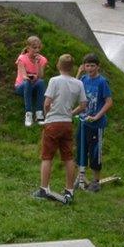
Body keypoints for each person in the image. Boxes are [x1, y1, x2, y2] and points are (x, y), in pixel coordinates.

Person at [32, 54, 87, 205]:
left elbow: (47, 103)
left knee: (47, 157)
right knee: (68, 157)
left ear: (58, 65)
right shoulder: (78, 83)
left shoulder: (54, 81)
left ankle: (44, 189)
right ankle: (69, 190)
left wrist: (47, 115)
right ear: (72, 67)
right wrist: (71, 113)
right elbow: (83, 105)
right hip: (67, 123)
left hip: (53, 123)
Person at [75, 54, 113, 191]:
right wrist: (79, 73)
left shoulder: (102, 82)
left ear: (98, 67)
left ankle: (96, 181)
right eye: (87, 65)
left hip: (97, 125)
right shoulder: (84, 79)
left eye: (92, 65)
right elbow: (73, 87)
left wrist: (97, 116)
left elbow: (109, 102)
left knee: (95, 152)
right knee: (81, 149)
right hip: (83, 121)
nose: (89, 68)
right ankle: (81, 177)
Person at [14, 36, 48, 127]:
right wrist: (29, 78)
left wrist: (37, 63)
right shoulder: (22, 58)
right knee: (27, 82)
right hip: (22, 86)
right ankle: (28, 114)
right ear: (28, 48)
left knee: (41, 82)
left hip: (35, 85)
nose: (36, 50)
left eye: (38, 48)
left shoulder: (42, 59)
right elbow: (24, 76)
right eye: (34, 48)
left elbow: (41, 76)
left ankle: (39, 113)